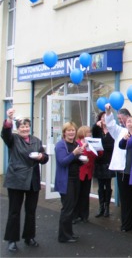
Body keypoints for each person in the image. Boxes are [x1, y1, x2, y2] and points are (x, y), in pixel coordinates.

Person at [2, 108, 49, 252]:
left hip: (32, 180)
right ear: (18, 128)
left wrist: (42, 157)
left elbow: (44, 157)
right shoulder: (13, 139)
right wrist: (9, 119)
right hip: (17, 179)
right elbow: (5, 134)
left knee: (31, 211)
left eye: (27, 126)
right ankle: (12, 240)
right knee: (14, 211)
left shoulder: (36, 140)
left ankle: (29, 237)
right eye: (22, 126)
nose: (25, 129)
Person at [104, 103, 132, 232]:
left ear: (129, 118)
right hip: (122, 170)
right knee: (125, 198)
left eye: (122, 118)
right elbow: (110, 125)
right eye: (119, 119)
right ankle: (126, 224)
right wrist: (108, 113)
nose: (121, 121)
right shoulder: (119, 131)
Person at [55, 121, 87, 243]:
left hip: (75, 178)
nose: (71, 132)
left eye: (73, 130)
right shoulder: (60, 145)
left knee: (72, 207)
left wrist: (82, 160)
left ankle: (69, 233)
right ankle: (63, 236)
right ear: (64, 132)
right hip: (65, 180)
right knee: (67, 208)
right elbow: (63, 162)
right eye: (69, 130)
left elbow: (75, 161)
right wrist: (74, 154)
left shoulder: (75, 144)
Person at [73, 126, 99, 224]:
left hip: (88, 172)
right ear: (83, 133)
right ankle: (75, 215)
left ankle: (84, 215)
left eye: (90, 132)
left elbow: (97, 155)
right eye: (88, 132)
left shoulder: (91, 143)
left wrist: (97, 148)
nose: (90, 134)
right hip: (80, 172)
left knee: (85, 195)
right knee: (77, 195)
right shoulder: (77, 144)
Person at [92, 112, 115, 218]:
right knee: (100, 186)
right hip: (99, 161)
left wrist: (103, 146)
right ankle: (101, 207)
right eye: (102, 117)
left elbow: (112, 145)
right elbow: (94, 140)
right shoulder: (98, 130)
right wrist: (96, 126)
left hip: (109, 161)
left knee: (108, 185)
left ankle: (107, 207)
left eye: (106, 117)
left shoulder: (112, 130)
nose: (104, 119)